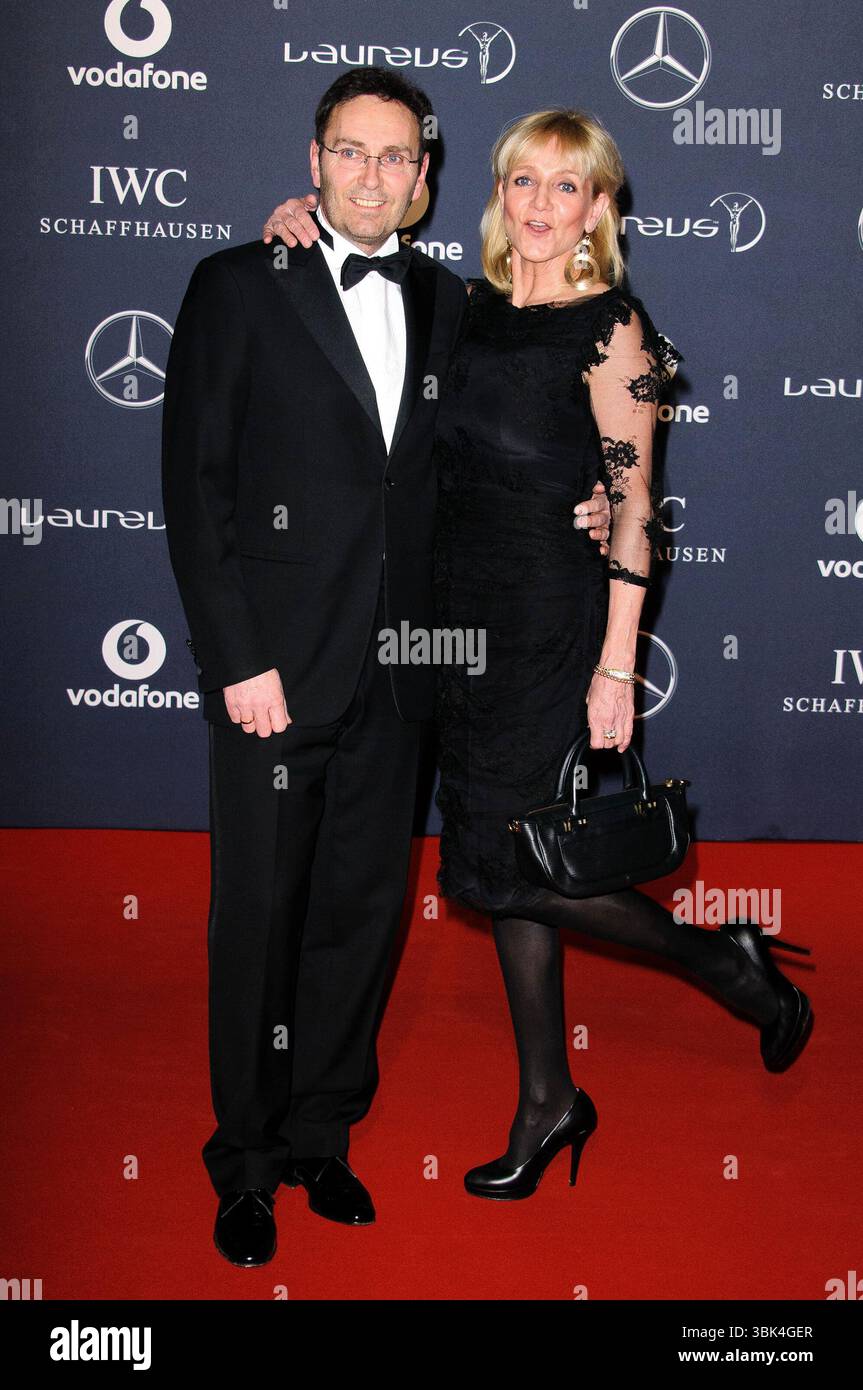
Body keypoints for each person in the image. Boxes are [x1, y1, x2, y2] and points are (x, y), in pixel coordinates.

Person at [263, 107, 814, 1203]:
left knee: (521, 863)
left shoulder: (614, 330)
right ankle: (547, 1098)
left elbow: (631, 501)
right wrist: (298, 219)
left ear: (599, 209)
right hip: (452, 624)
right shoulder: (460, 309)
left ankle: (728, 964)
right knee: (490, 864)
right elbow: (361, 291)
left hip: (550, 629)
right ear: (495, 192)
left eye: (568, 188)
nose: (540, 205)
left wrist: (616, 667)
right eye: (524, 181)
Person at [161, 70, 612, 1267]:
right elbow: (194, 493)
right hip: (275, 673)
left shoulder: (450, 300)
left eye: (394, 157)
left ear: (423, 179)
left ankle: (321, 1136)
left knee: (361, 917)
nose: (370, 174)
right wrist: (236, 659)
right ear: (314, 162)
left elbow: (535, 407)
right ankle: (246, 1161)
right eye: (348, 153)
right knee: (260, 919)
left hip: (409, 673)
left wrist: (590, 500)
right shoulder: (232, 286)